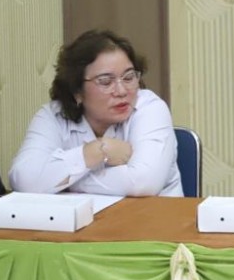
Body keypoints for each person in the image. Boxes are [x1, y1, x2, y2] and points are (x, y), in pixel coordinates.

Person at [9, 29, 182, 196]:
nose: (121, 91)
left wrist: (65, 182)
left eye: (129, 77)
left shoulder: (150, 107)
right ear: (77, 90)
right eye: (106, 82)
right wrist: (96, 152)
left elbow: (143, 183)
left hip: (154, 220)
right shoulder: (53, 116)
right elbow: (22, 180)